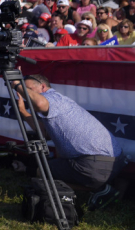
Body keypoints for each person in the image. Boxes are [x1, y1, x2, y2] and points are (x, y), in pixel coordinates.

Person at [13, 74, 128, 208]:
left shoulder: (51, 98)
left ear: (43, 87)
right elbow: (45, 133)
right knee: (52, 166)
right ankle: (104, 185)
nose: (23, 92)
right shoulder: (59, 102)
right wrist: (22, 110)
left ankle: (99, 189)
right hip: (113, 163)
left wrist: (16, 84)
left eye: (27, 89)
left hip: (93, 165)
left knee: (41, 172)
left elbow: (39, 102)